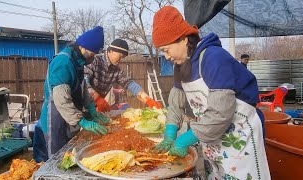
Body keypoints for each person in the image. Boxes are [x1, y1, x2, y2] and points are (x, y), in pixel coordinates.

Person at [151, 6, 270, 179]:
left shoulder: (213, 57)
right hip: (211, 139)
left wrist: (185, 139)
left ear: (184, 39)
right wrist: (170, 134)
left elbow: (221, 113)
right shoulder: (181, 66)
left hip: (239, 136)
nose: (166, 56)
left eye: (166, 50)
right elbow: (176, 104)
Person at [33, 26, 109, 163]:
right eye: (92, 54)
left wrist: (92, 108)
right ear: (83, 47)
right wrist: (81, 121)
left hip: (67, 120)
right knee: (52, 162)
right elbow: (62, 100)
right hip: (53, 122)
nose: (92, 58)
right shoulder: (64, 62)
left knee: (66, 157)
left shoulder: (77, 62)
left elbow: (82, 88)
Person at [84, 39, 162, 112]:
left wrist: (147, 99)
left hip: (94, 107)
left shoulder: (116, 69)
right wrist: (97, 98)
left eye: (123, 58)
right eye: (120, 56)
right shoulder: (95, 60)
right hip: (81, 105)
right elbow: (84, 81)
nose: (121, 60)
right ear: (111, 50)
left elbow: (129, 84)